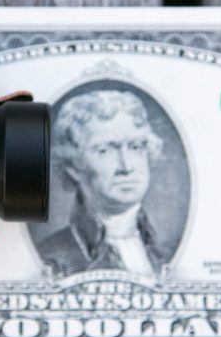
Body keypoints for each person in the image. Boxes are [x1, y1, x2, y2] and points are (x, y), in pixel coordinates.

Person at [37, 90, 172, 277]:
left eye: (135, 147)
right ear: (73, 166)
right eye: (105, 150)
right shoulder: (51, 258)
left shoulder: (167, 252)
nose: (126, 167)